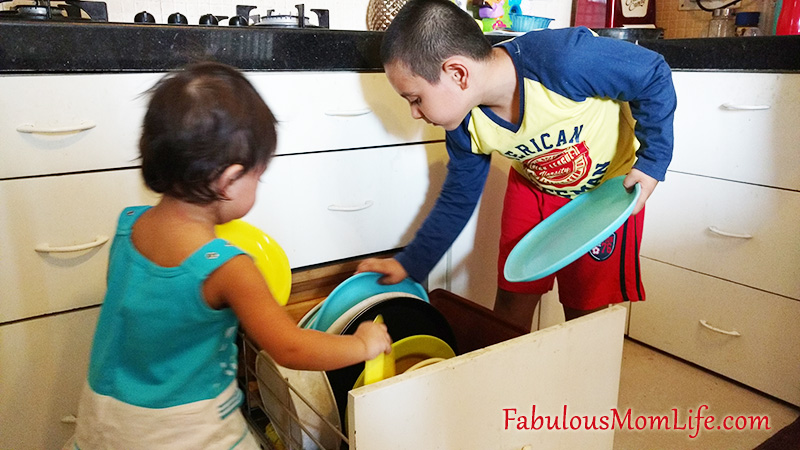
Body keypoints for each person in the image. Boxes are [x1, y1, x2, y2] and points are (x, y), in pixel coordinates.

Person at [71, 62, 392, 450]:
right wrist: (362, 344)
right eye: (259, 176)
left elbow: (151, 315)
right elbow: (290, 347)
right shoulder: (228, 267)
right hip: (183, 430)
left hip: (105, 418)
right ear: (228, 181)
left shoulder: (128, 228)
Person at [357, 0, 677, 330]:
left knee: (585, 309)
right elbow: (457, 200)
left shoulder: (564, 60)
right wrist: (411, 263)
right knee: (513, 293)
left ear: (457, 73)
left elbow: (652, 74)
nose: (414, 113)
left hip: (605, 190)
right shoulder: (464, 127)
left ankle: (583, 375)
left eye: (415, 98)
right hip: (533, 189)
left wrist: (652, 161)